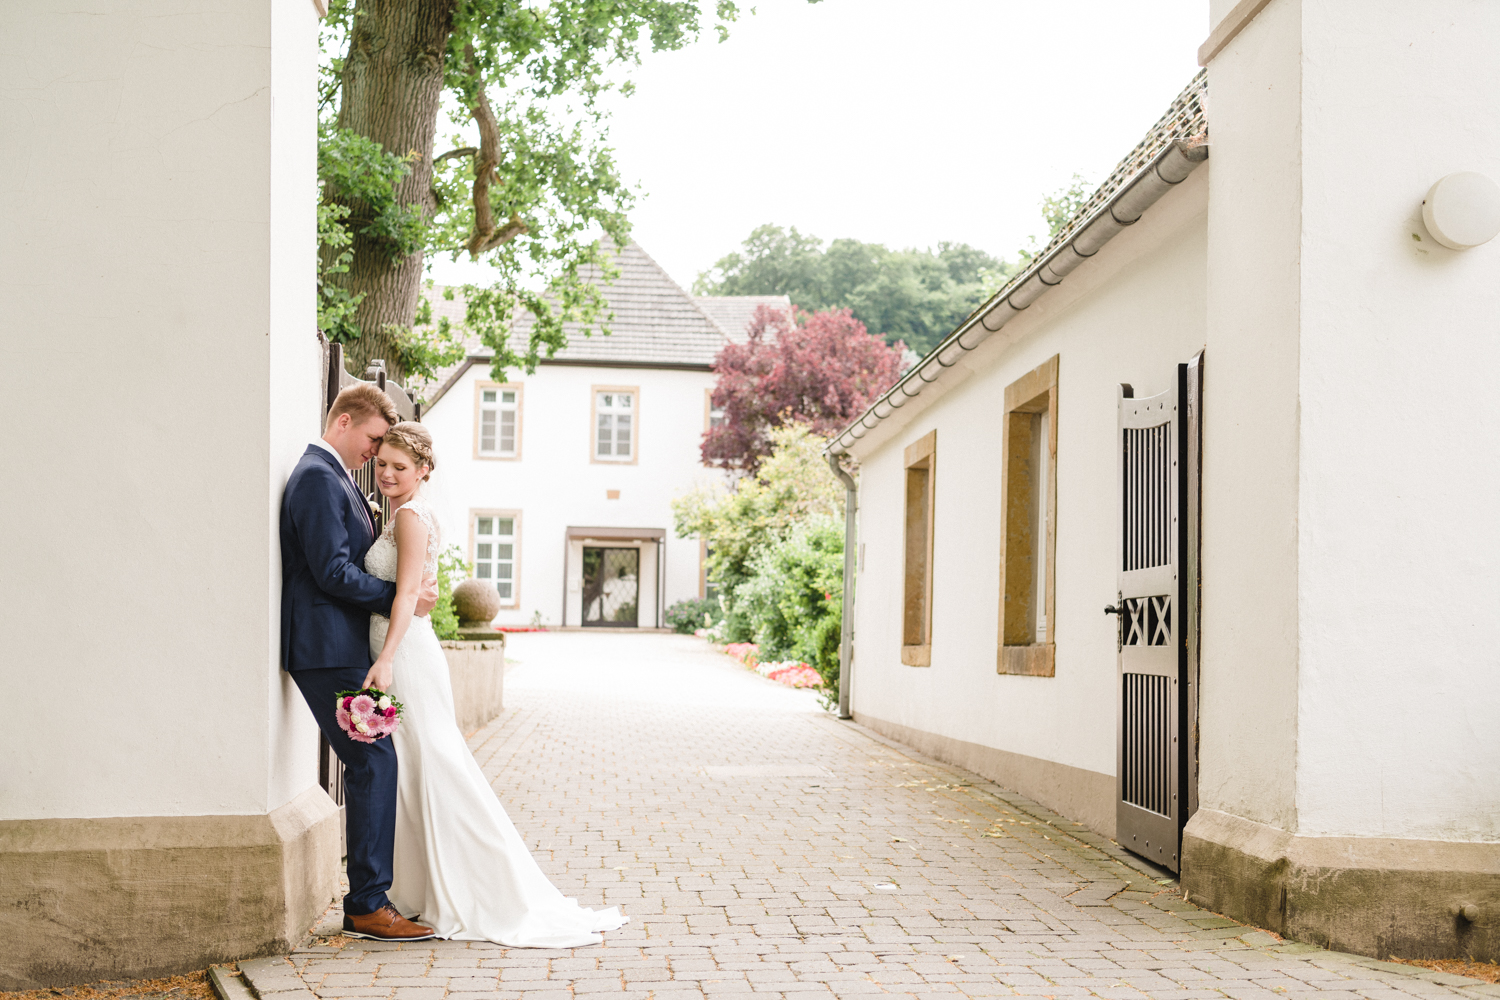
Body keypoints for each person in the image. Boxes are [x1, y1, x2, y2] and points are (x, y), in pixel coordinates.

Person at [366, 422, 628, 946]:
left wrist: (388, 658)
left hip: (407, 655)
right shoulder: (402, 514)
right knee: (417, 771)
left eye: (400, 467)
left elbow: (407, 594)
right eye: (383, 464)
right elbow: (411, 589)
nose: (389, 474)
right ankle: (426, 886)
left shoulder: (413, 518)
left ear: (423, 471)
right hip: (405, 648)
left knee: (435, 769)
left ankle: (477, 887)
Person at [279, 384, 439, 942]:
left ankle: (370, 899)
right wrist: (401, 592)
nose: (376, 453)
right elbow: (331, 572)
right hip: (326, 648)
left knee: (375, 762)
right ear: (344, 421)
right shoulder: (319, 478)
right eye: (373, 439)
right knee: (374, 762)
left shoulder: (337, 477)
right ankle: (368, 904)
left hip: (339, 645)